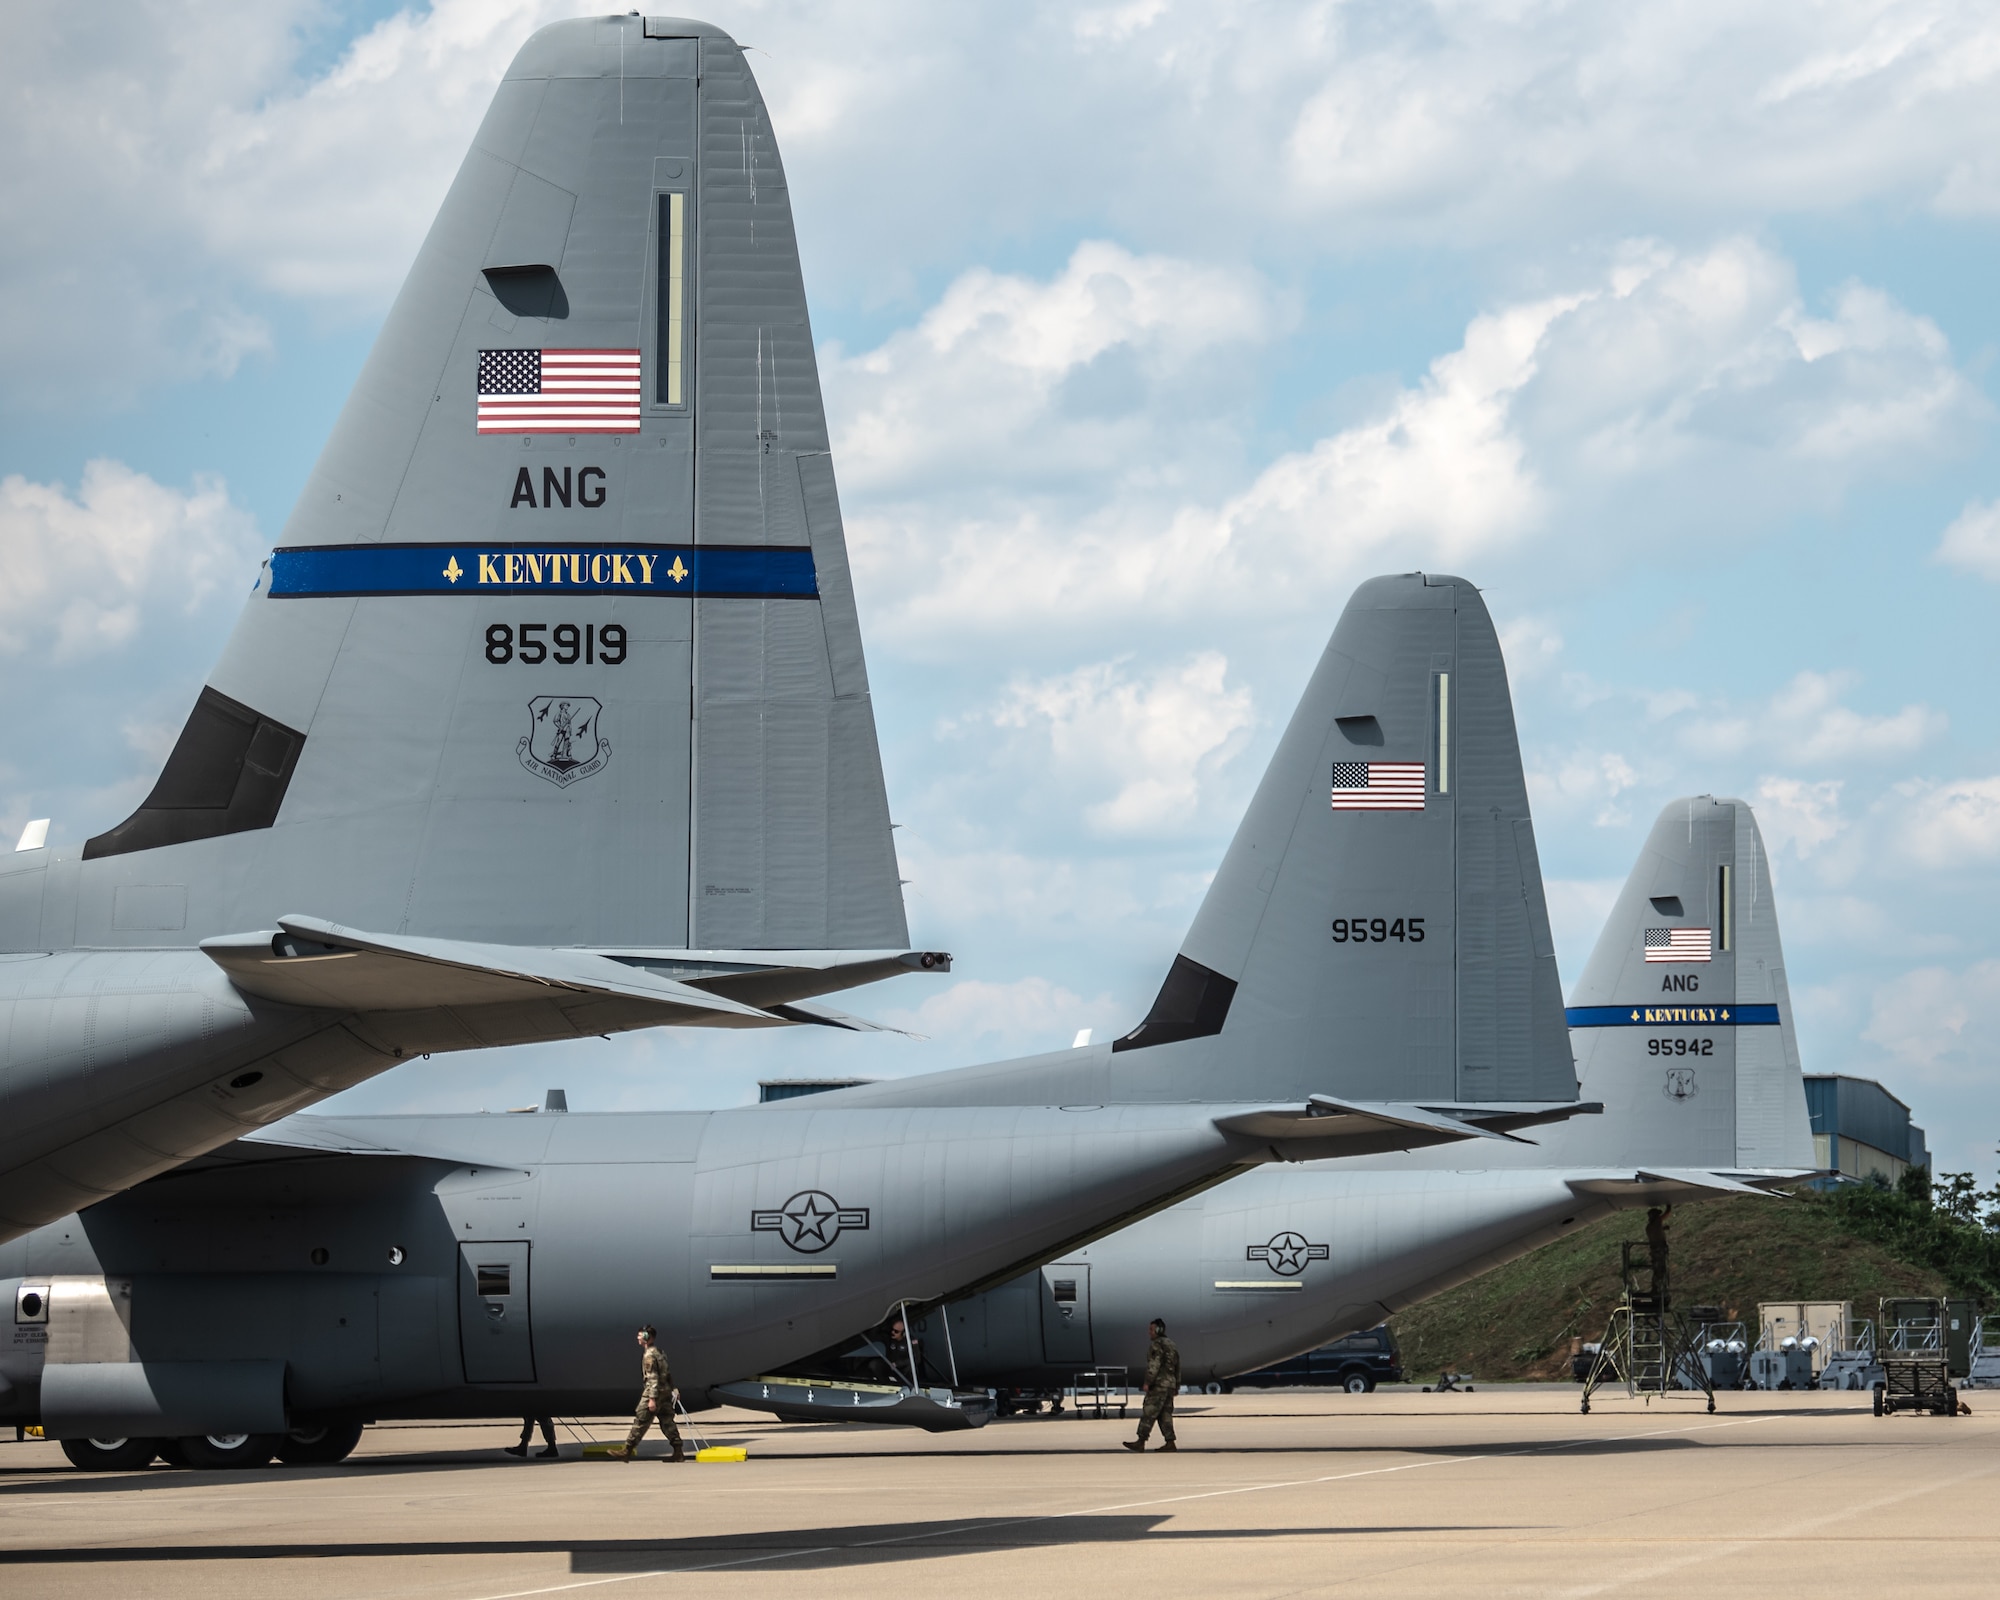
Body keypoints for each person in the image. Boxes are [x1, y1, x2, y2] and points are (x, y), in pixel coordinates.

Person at [612, 1324, 685, 1463]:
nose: (638, 1338)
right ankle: (678, 1451)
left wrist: (652, 1398)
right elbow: (667, 1373)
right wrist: (673, 1389)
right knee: (667, 1421)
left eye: (640, 1335)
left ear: (647, 1337)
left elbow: (653, 1377)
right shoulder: (660, 1352)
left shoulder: (649, 1355)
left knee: (641, 1420)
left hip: (654, 1392)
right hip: (665, 1392)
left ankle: (626, 1450)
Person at [1123, 1318, 1180, 1453]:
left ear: (1158, 1330)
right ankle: (1170, 1442)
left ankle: (1141, 1441)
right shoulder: (1171, 1344)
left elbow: (1154, 1365)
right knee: (1165, 1414)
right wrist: (1177, 1384)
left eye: (1151, 1329)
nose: (1149, 1332)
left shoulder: (1156, 1345)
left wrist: (1148, 1382)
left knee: (1149, 1412)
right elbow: (1178, 1366)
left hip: (1159, 1384)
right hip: (1169, 1385)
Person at [1644, 1205, 1671, 1301]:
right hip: (1659, 1250)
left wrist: (1663, 1229)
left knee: (1657, 1270)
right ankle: (1657, 1290)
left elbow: (1656, 1231)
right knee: (1660, 1270)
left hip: (1654, 1250)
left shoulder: (1649, 1227)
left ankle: (1656, 1289)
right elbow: (1667, 1213)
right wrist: (1669, 1204)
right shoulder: (1657, 1222)